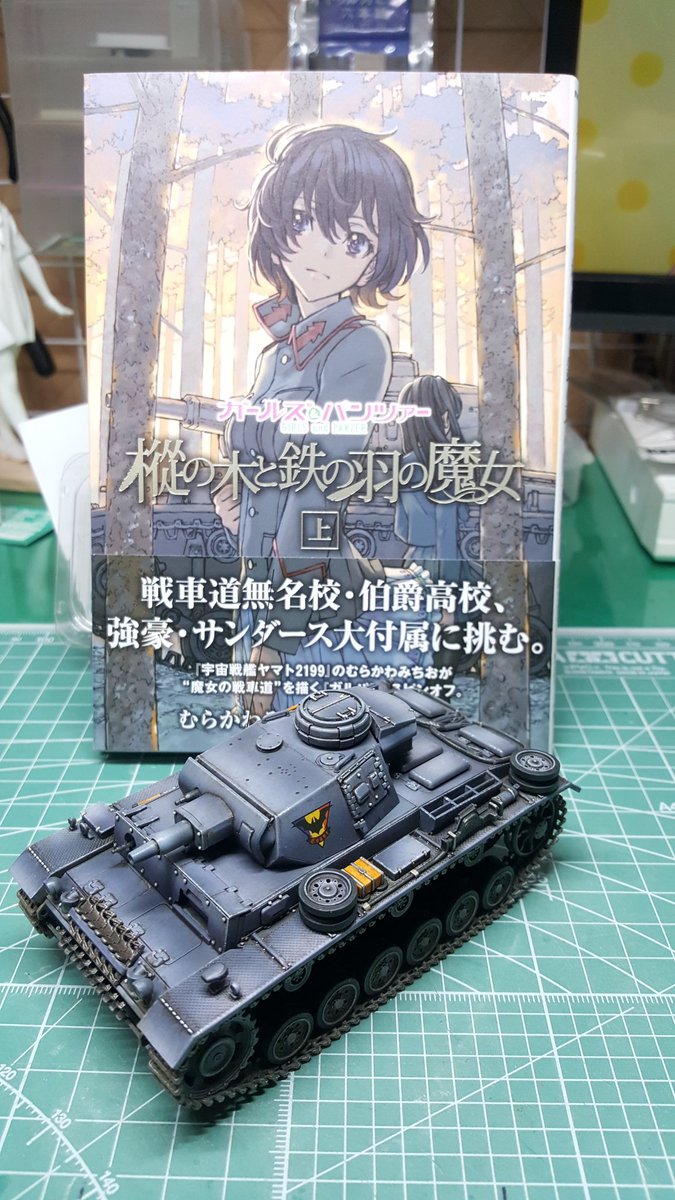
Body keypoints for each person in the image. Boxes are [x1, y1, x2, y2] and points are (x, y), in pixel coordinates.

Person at [212, 124, 430, 713]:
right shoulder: (274, 354)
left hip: (312, 604)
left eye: (355, 239)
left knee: (310, 746)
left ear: (378, 256)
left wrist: (275, 641)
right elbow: (262, 468)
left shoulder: (360, 347)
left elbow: (318, 491)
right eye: (303, 222)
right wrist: (237, 507)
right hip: (259, 585)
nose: (322, 253)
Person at [0, 203, 73, 460]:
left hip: (10, 306)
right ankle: (36, 445)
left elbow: (22, 255)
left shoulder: (2, 212)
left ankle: (6, 441)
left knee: (4, 378)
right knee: (5, 379)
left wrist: (47, 296)